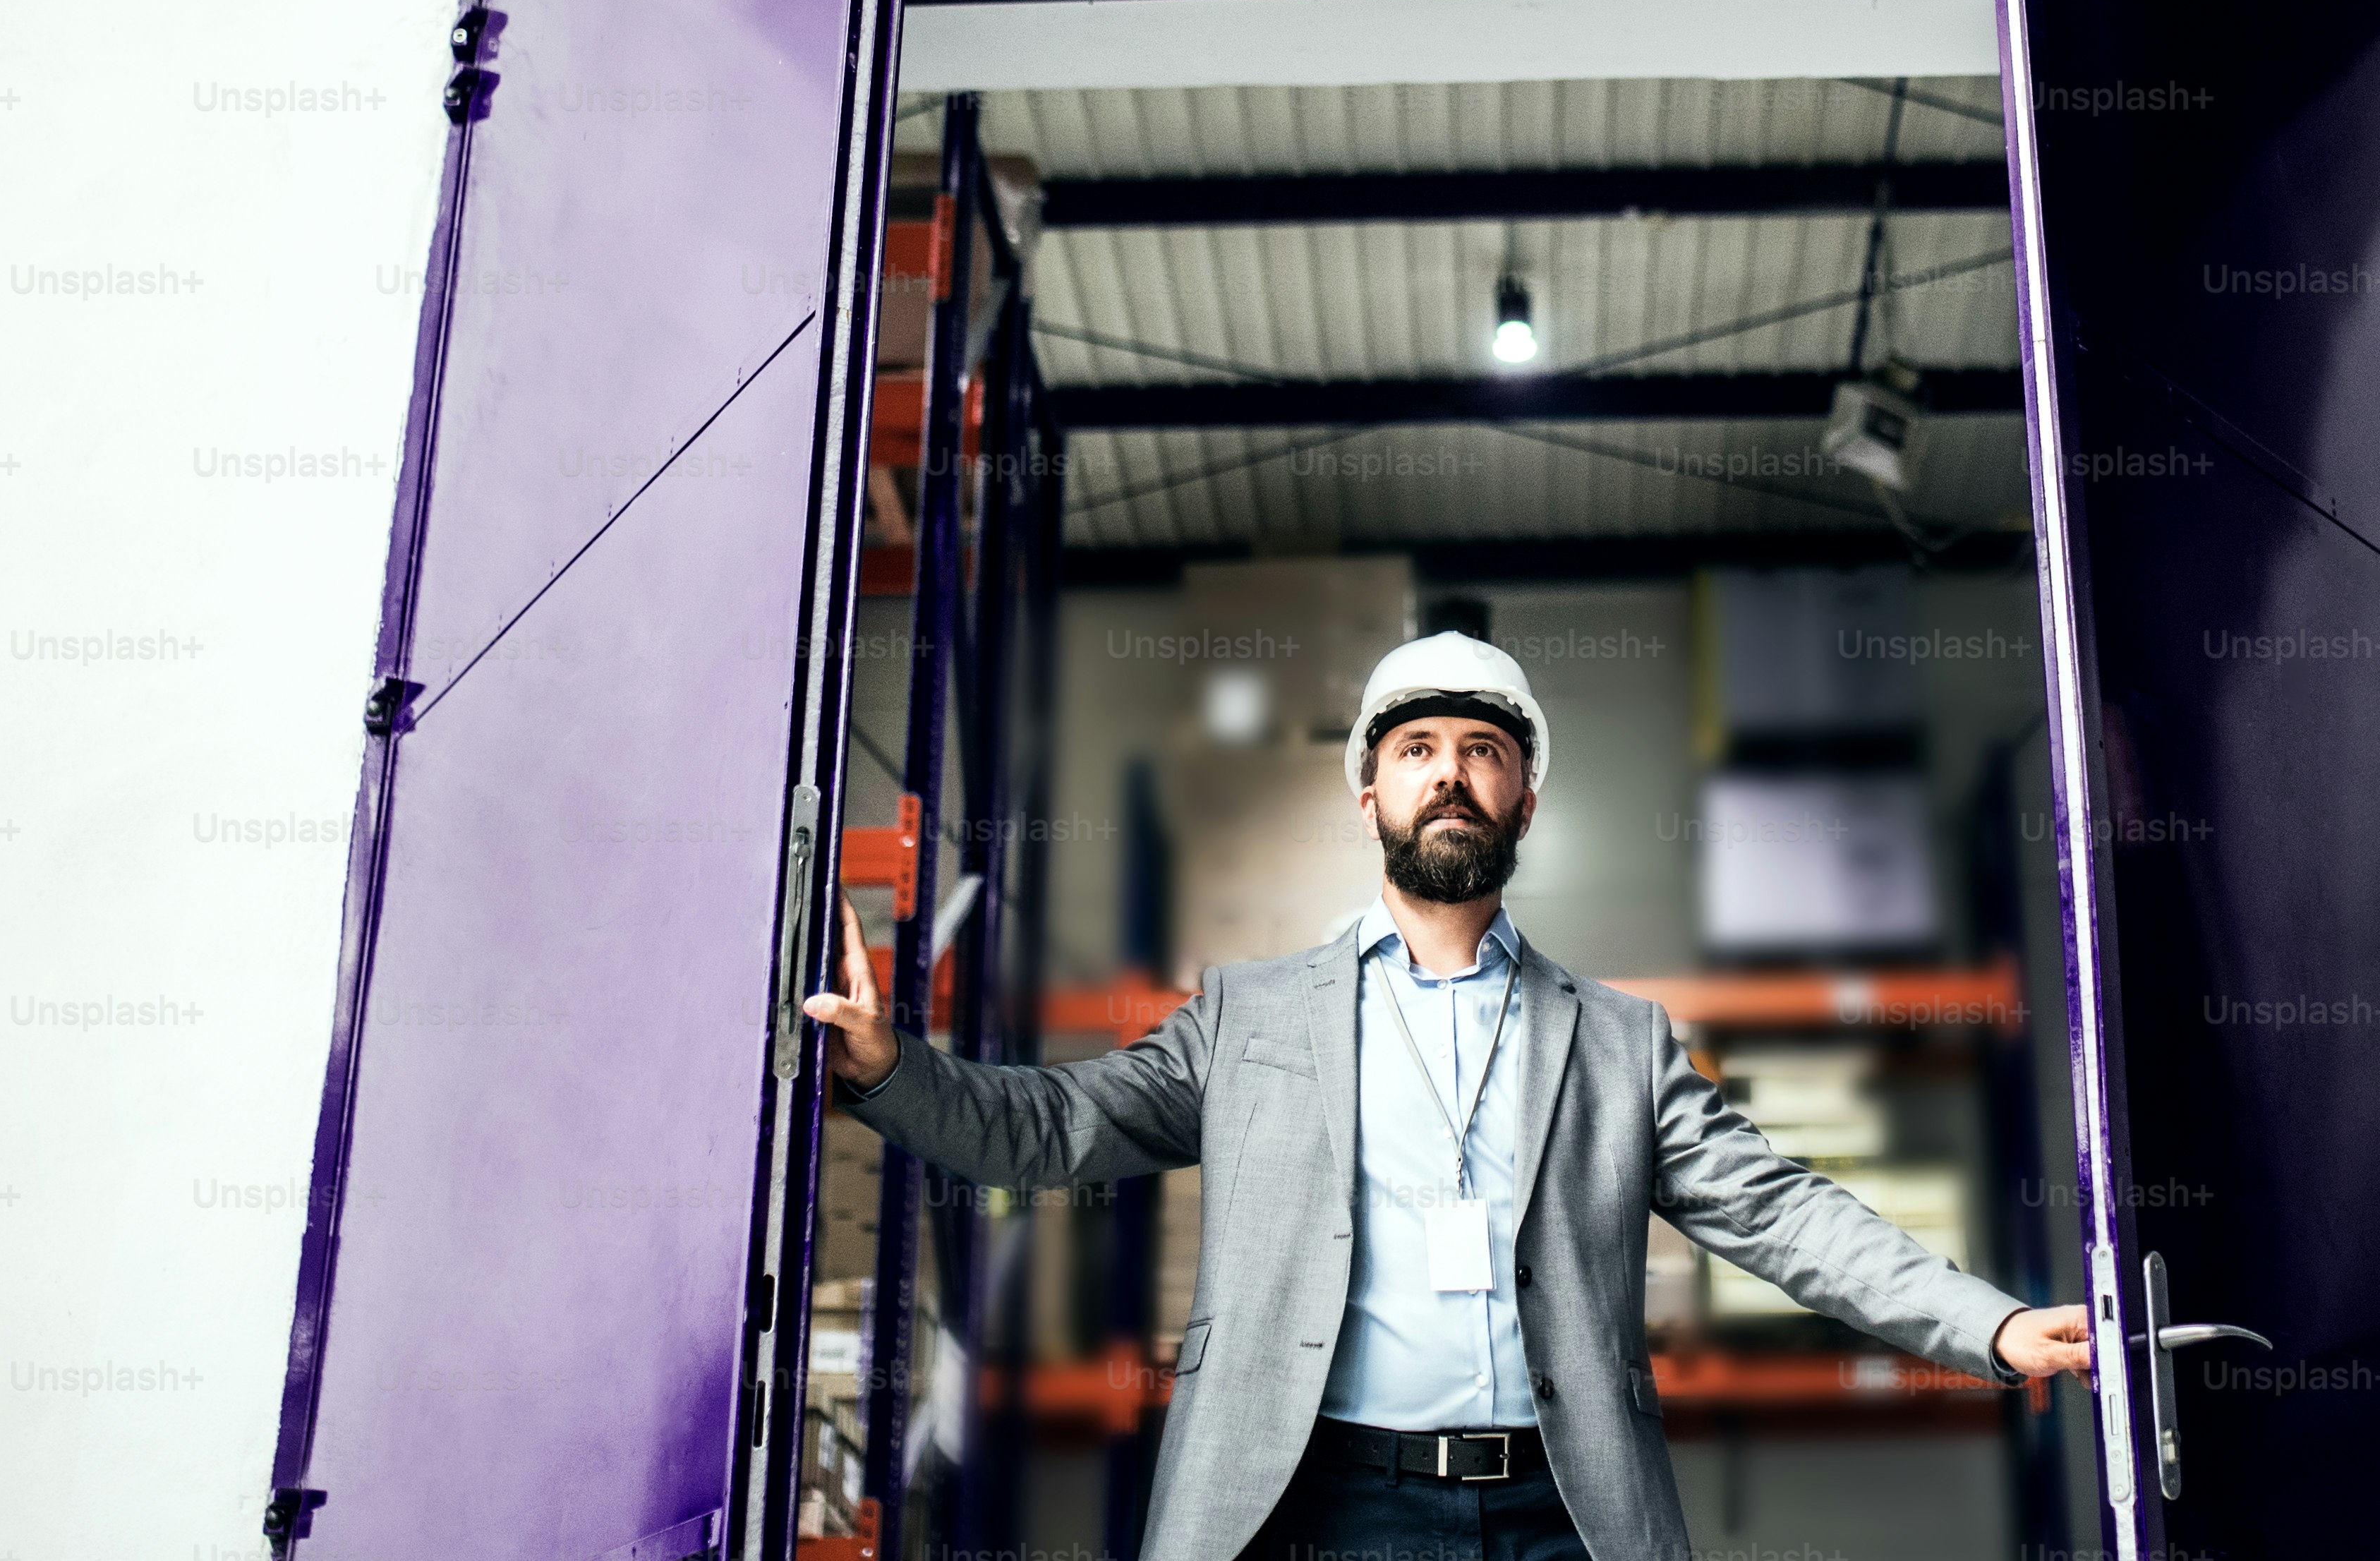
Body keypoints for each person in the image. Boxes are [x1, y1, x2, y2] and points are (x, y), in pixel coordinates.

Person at [804, 628, 2093, 1561]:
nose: (1450, 772)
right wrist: (888, 1067)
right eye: (1417, 747)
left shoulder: (1618, 1041)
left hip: (1561, 1508)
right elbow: (1055, 1126)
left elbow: (1785, 1213)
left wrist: (1983, 1323)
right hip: (1323, 1504)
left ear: (1526, 795)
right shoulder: (1252, 1015)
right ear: (1368, 790)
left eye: (1483, 749)